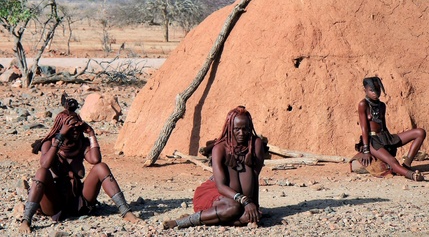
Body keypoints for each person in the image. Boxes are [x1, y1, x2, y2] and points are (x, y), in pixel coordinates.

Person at [19, 94, 140, 233]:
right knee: (41, 173)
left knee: (101, 168)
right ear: (61, 128)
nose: (76, 131)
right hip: (54, 202)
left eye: (77, 127)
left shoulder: (81, 144)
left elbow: (96, 160)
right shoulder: (49, 143)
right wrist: (60, 137)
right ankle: (26, 220)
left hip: (79, 200)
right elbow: (45, 164)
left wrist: (91, 133)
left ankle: (125, 211)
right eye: (72, 128)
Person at [164, 106, 265, 229]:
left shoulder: (255, 144)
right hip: (215, 192)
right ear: (229, 128)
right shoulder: (220, 149)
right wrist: (245, 201)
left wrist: (255, 206)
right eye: (237, 129)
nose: (242, 133)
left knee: (250, 215)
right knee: (233, 208)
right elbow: (221, 186)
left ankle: (232, 219)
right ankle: (182, 222)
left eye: (245, 129)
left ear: (250, 128)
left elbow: (255, 177)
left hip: (240, 199)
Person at [357, 76, 426, 181]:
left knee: (420, 132)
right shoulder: (363, 104)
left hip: (385, 137)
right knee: (392, 161)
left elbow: (383, 126)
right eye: (371, 90)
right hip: (373, 141)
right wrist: (366, 150)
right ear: (365, 90)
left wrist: (390, 144)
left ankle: (406, 165)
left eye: (378, 90)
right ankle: (411, 175)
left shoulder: (382, 105)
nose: (375, 93)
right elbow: (364, 129)